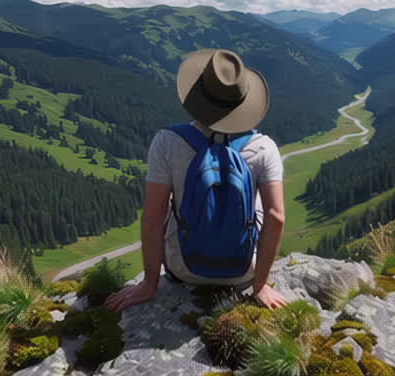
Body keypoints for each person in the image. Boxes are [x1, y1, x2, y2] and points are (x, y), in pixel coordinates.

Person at [105, 49, 289, 312]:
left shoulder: (167, 142)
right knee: (259, 198)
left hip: (185, 269)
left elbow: (153, 216)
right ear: (243, 102)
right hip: (243, 272)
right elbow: (277, 217)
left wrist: (149, 284)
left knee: (167, 205)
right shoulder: (264, 147)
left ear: (197, 97)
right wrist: (259, 285)